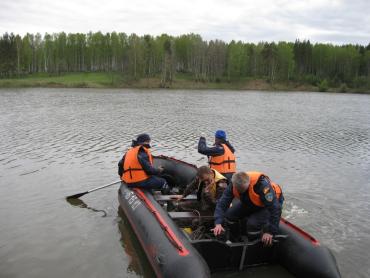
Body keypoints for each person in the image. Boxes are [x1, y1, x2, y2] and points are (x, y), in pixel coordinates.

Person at [212, 171, 284, 246]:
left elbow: (275, 208)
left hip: (266, 205)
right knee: (230, 215)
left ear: (248, 184)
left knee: (252, 224)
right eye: (238, 190)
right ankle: (236, 239)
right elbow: (222, 203)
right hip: (251, 201)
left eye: (242, 190)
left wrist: (270, 232)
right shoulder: (233, 185)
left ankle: (255, 244)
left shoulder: (263, 186)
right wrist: (218, 223)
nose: (239, 191)